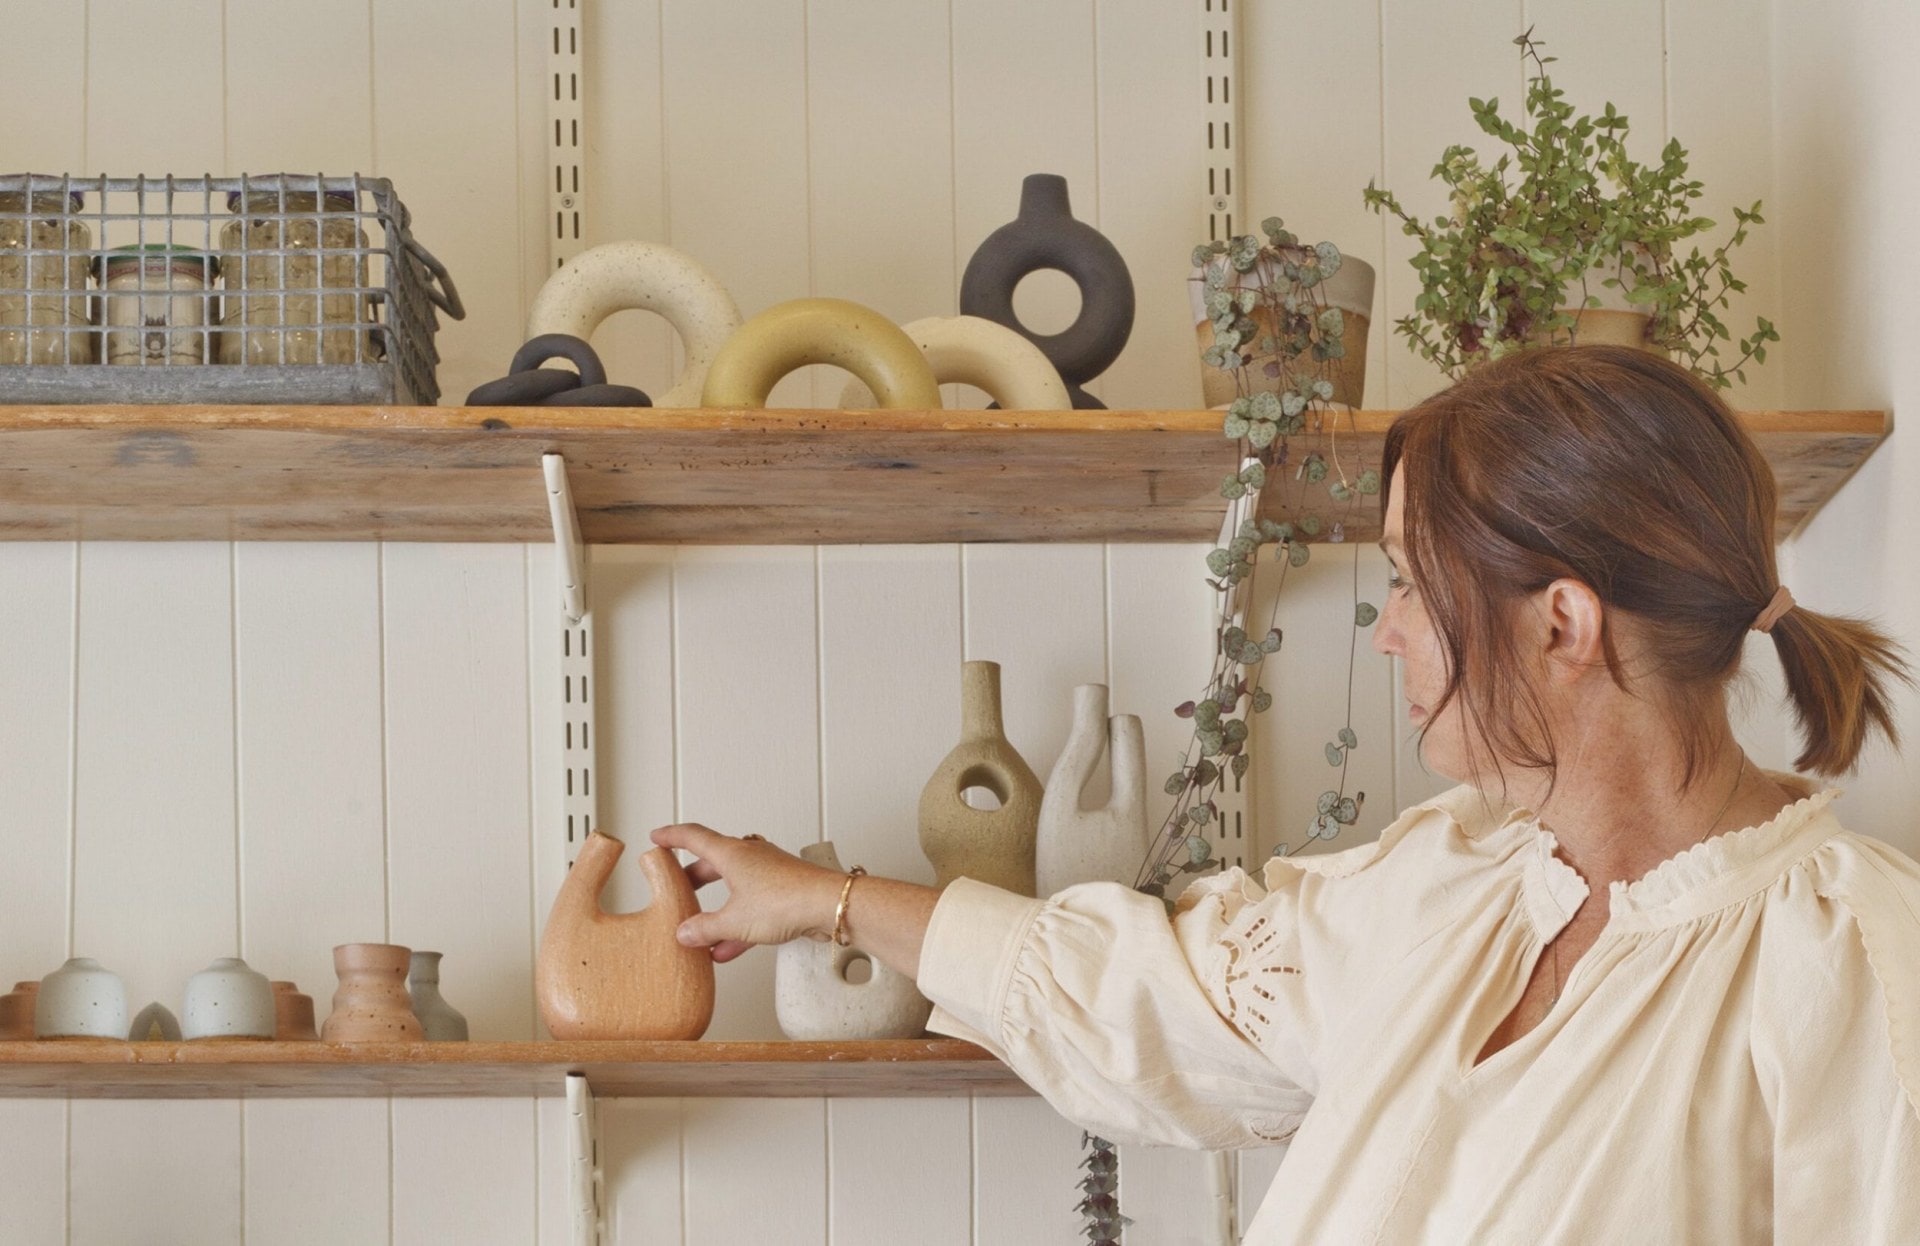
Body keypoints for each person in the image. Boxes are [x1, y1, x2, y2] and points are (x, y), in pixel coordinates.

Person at [651, 345, 1919, 1243]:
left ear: (1563, 625)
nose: (1391, 635)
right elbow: (1146, 989)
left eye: (1415, 586)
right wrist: (826, 899)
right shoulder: (1451, 881)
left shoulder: (1858, 962)